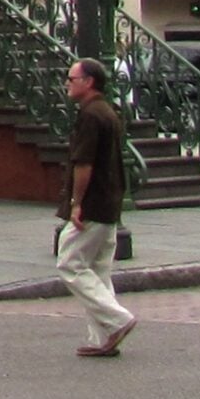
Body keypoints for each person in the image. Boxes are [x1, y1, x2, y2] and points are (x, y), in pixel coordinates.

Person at [56, 56, 135, 358]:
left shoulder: (90, 115)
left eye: (72, 78)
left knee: (69, 262)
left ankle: (118, 320)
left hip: (94, 202)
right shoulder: (107, 111)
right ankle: (103, 336)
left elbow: (84, 163)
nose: (67, 83)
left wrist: (77, 203)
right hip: (110, 202)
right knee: (99, 272)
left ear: (88, 82)